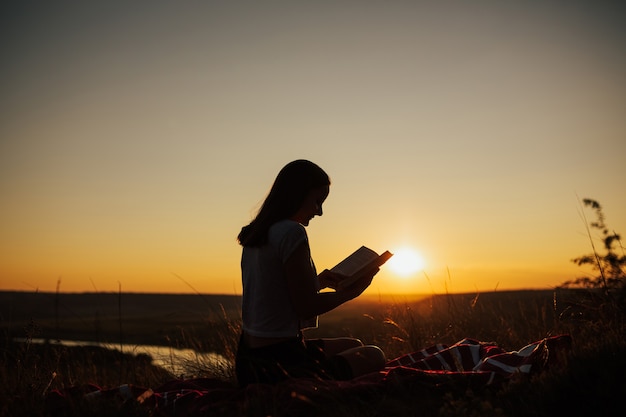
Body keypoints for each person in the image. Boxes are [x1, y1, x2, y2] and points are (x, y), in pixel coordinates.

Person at [235, 159, 386, 387]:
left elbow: (276, 292)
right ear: (297, 195)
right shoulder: (292, 232)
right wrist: (351, 293)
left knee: (353, 343)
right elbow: (306, 306)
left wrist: (318, 281)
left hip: (249, 360)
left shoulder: (258, 233)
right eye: (317, 202)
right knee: (374, 355)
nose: (320, 212)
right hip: (279, 363)